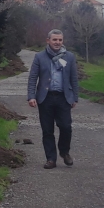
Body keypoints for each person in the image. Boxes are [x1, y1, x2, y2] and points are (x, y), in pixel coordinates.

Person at [27, 29, 79, 169]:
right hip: (45, 98)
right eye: (54, 40)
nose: (57, 42)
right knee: (47, 130)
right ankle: (51, 159)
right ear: (48, 40)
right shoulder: (40, 57)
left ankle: (64, 152)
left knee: (66, 127)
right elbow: (33, 78)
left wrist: (75, 97)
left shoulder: (69, 57)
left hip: (64, 98)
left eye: (60, 40)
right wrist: (31, 96)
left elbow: (74, 78)